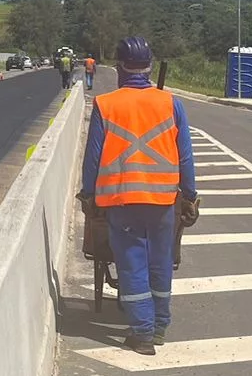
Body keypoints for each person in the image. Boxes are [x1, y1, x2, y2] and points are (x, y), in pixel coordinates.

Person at [80, 37, 198, 354]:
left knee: (132, 264)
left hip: (122, 201)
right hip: (163, 202)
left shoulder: (106, 104)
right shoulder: (171, 103)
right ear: (149, 67)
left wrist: (88, 195)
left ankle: (143, 333)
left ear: (119, 67)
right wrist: (190, 195)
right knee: (160, 261)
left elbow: (93, 158)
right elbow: (185, 156)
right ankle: (159, 327)